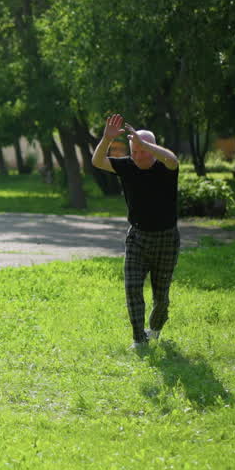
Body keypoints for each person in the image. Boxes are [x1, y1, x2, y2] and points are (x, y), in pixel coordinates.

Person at [90, 113, 181, 351]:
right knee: (132, 288)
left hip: (166, 238)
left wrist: (144, 142)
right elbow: (98, 161)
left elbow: (173, 159)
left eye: (143, 151)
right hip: (137, 238)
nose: (139, 156)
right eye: (135, 151)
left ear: (152, 149)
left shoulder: (165, 168)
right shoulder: (127, 166)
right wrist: (106, 139)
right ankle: (139, 339)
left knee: (161, 297)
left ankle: (156, 329)